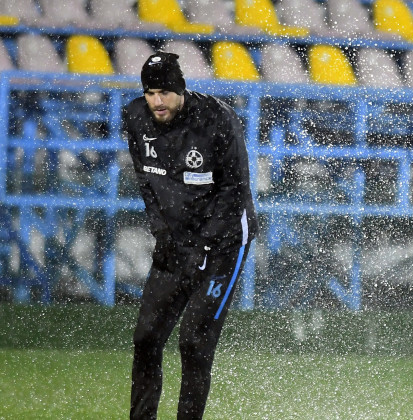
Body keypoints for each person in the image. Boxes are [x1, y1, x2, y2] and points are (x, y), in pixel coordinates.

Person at [124, 51, 258, 419]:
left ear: (180, 89)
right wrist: (163, 234)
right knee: (146, 339)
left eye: (164, 92)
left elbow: (234, 191)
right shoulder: (135, 117)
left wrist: (204, 246)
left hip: (225, 242)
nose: (156, 101)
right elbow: (147, 183)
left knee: (193, 343)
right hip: (177, 242)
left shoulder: (216, 119)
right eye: (150, 92)